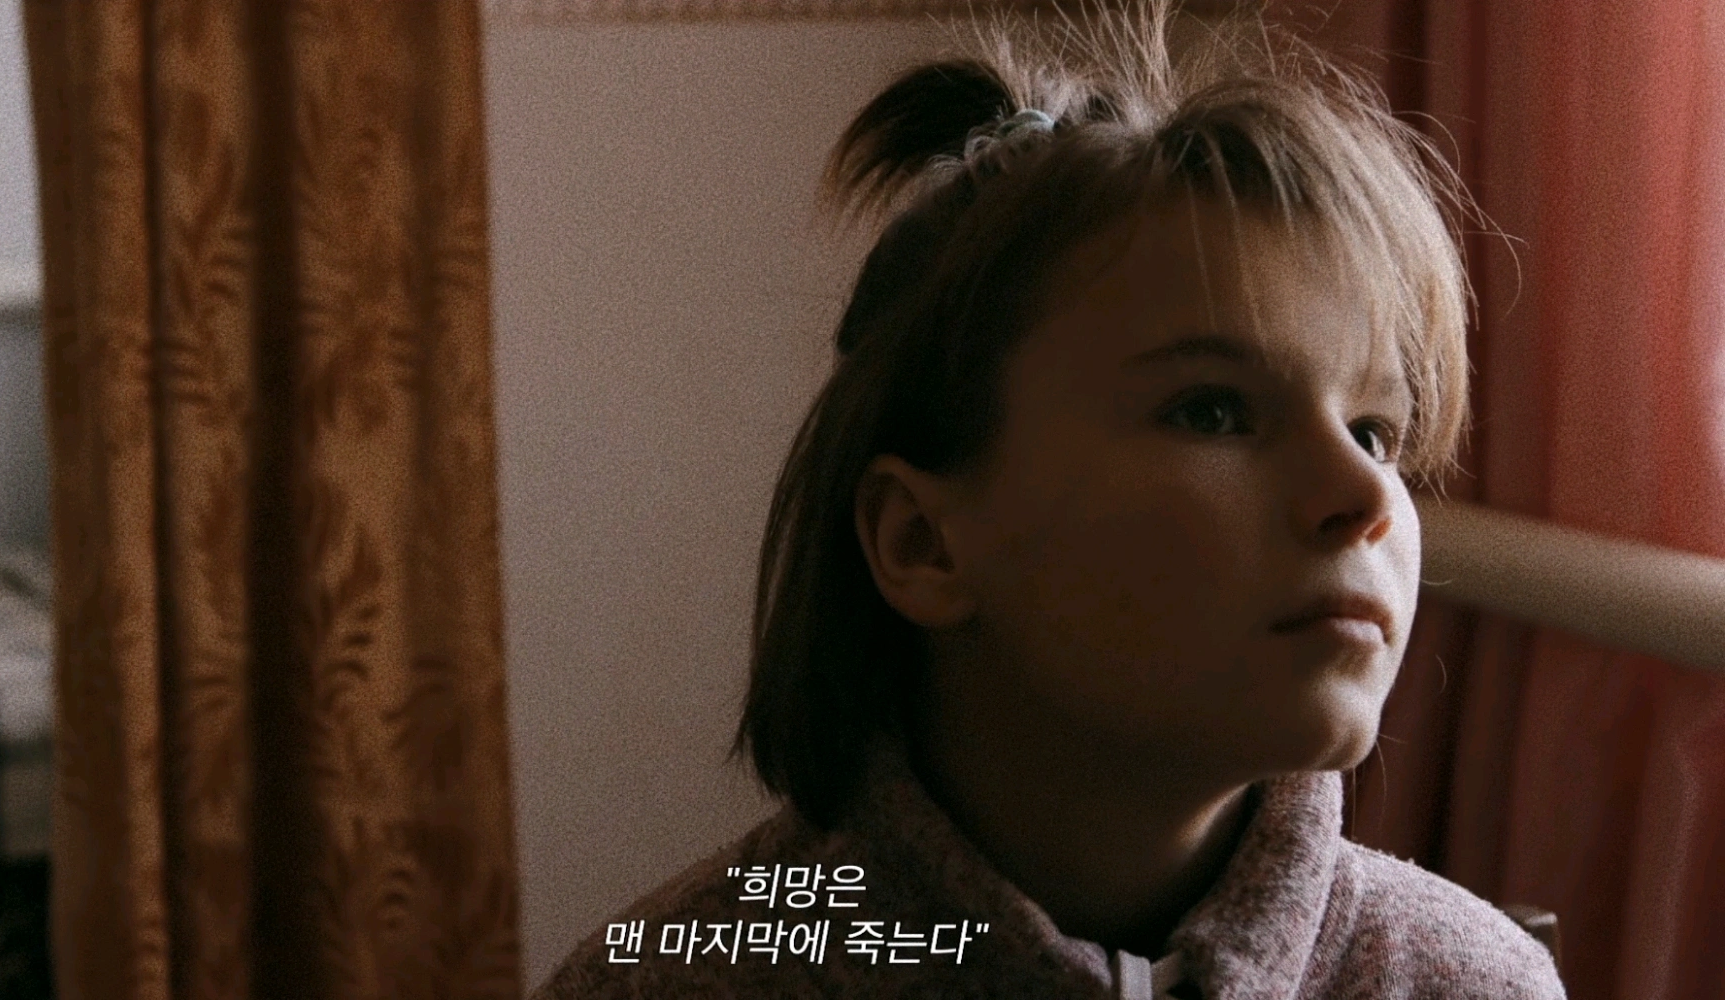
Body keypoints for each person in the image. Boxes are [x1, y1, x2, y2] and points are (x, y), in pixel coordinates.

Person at [536, 1, 1566, 996]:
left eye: (1374, 430)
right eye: (1213, 412)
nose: (1362, 493)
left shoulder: (1469, 982)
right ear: (925, 543)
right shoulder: (673, 981)